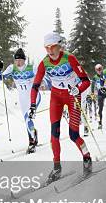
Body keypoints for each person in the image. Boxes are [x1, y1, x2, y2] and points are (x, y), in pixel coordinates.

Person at [29, 32, 92, 182]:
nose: (50, 51)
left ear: (59, 45)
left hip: (72, 95)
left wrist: (78, 89)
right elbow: (35, 85)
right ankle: (57, 167)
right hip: (56, 97)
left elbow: (86, 81)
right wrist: (32, 105)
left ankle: (87, 157)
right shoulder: (44, 63)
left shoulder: (69, 58)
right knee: (54, 134)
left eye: (53, 47)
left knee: (73, 135)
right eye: (47, 48)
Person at [0, 48, 40, 153]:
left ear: (24, 60)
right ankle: (34, 135)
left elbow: (42, 76)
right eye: (16, 60)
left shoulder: (31, 68)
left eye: (20, 60)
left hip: (34, 97)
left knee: (28, 118)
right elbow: (0, 78)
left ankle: (32, 142)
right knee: (27, 121)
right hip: (23, 98)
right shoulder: (12, 68)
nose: (18, 62)